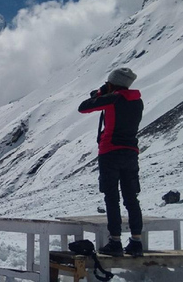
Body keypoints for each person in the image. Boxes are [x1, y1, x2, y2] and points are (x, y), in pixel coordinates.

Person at [78, 67, 144, 257]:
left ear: (112, 83)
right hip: (131, 153)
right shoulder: (137, 101)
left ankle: (115, 241)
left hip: (110, 153)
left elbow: (84, 107)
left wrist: (101, 93)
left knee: (112, 198)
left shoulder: (113, 99)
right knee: (131, 198)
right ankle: (136, 241)